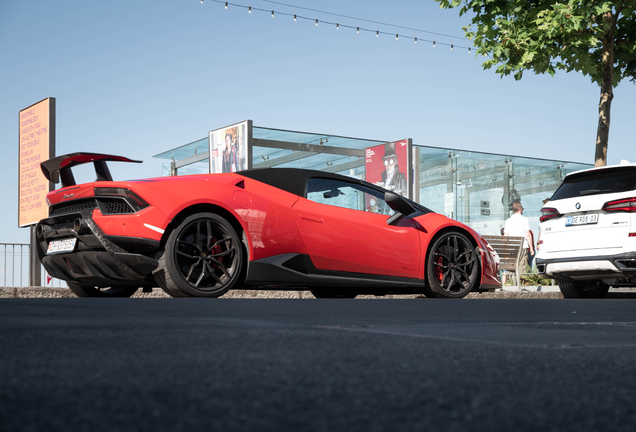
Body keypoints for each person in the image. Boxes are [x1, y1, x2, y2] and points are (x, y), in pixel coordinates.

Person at [504, 202, 535, 273]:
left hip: (511, 248)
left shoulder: (508, 221)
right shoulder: (525, 220)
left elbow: (506, 236)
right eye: (522, 209)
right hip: (523, 247)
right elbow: (528, 234)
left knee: (512, 269)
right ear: (519, 209)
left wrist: (505, 249)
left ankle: (512, 282)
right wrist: (531, 248)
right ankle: (521, 282)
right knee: (522, 268)